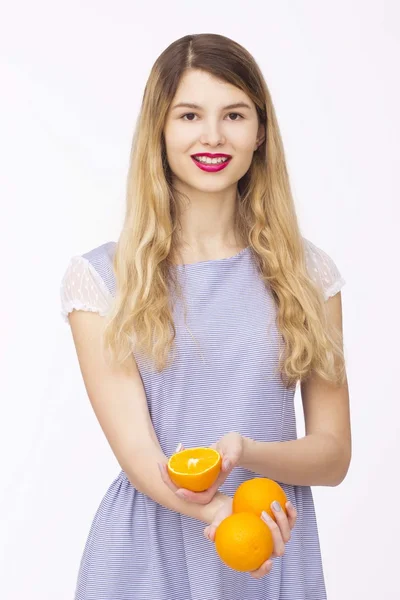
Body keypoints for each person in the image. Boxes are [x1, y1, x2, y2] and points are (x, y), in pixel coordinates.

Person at [60, 33, 351, 600]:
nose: (213, 136)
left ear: (260, 131)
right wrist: (219, 512)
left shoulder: (308, 274)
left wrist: (248, 453)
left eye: (234, 115)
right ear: (160, 130)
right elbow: (141, 455)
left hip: (271, 540)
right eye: (190, 114)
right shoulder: (103, 280)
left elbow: (334, 454)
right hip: (146, 555)